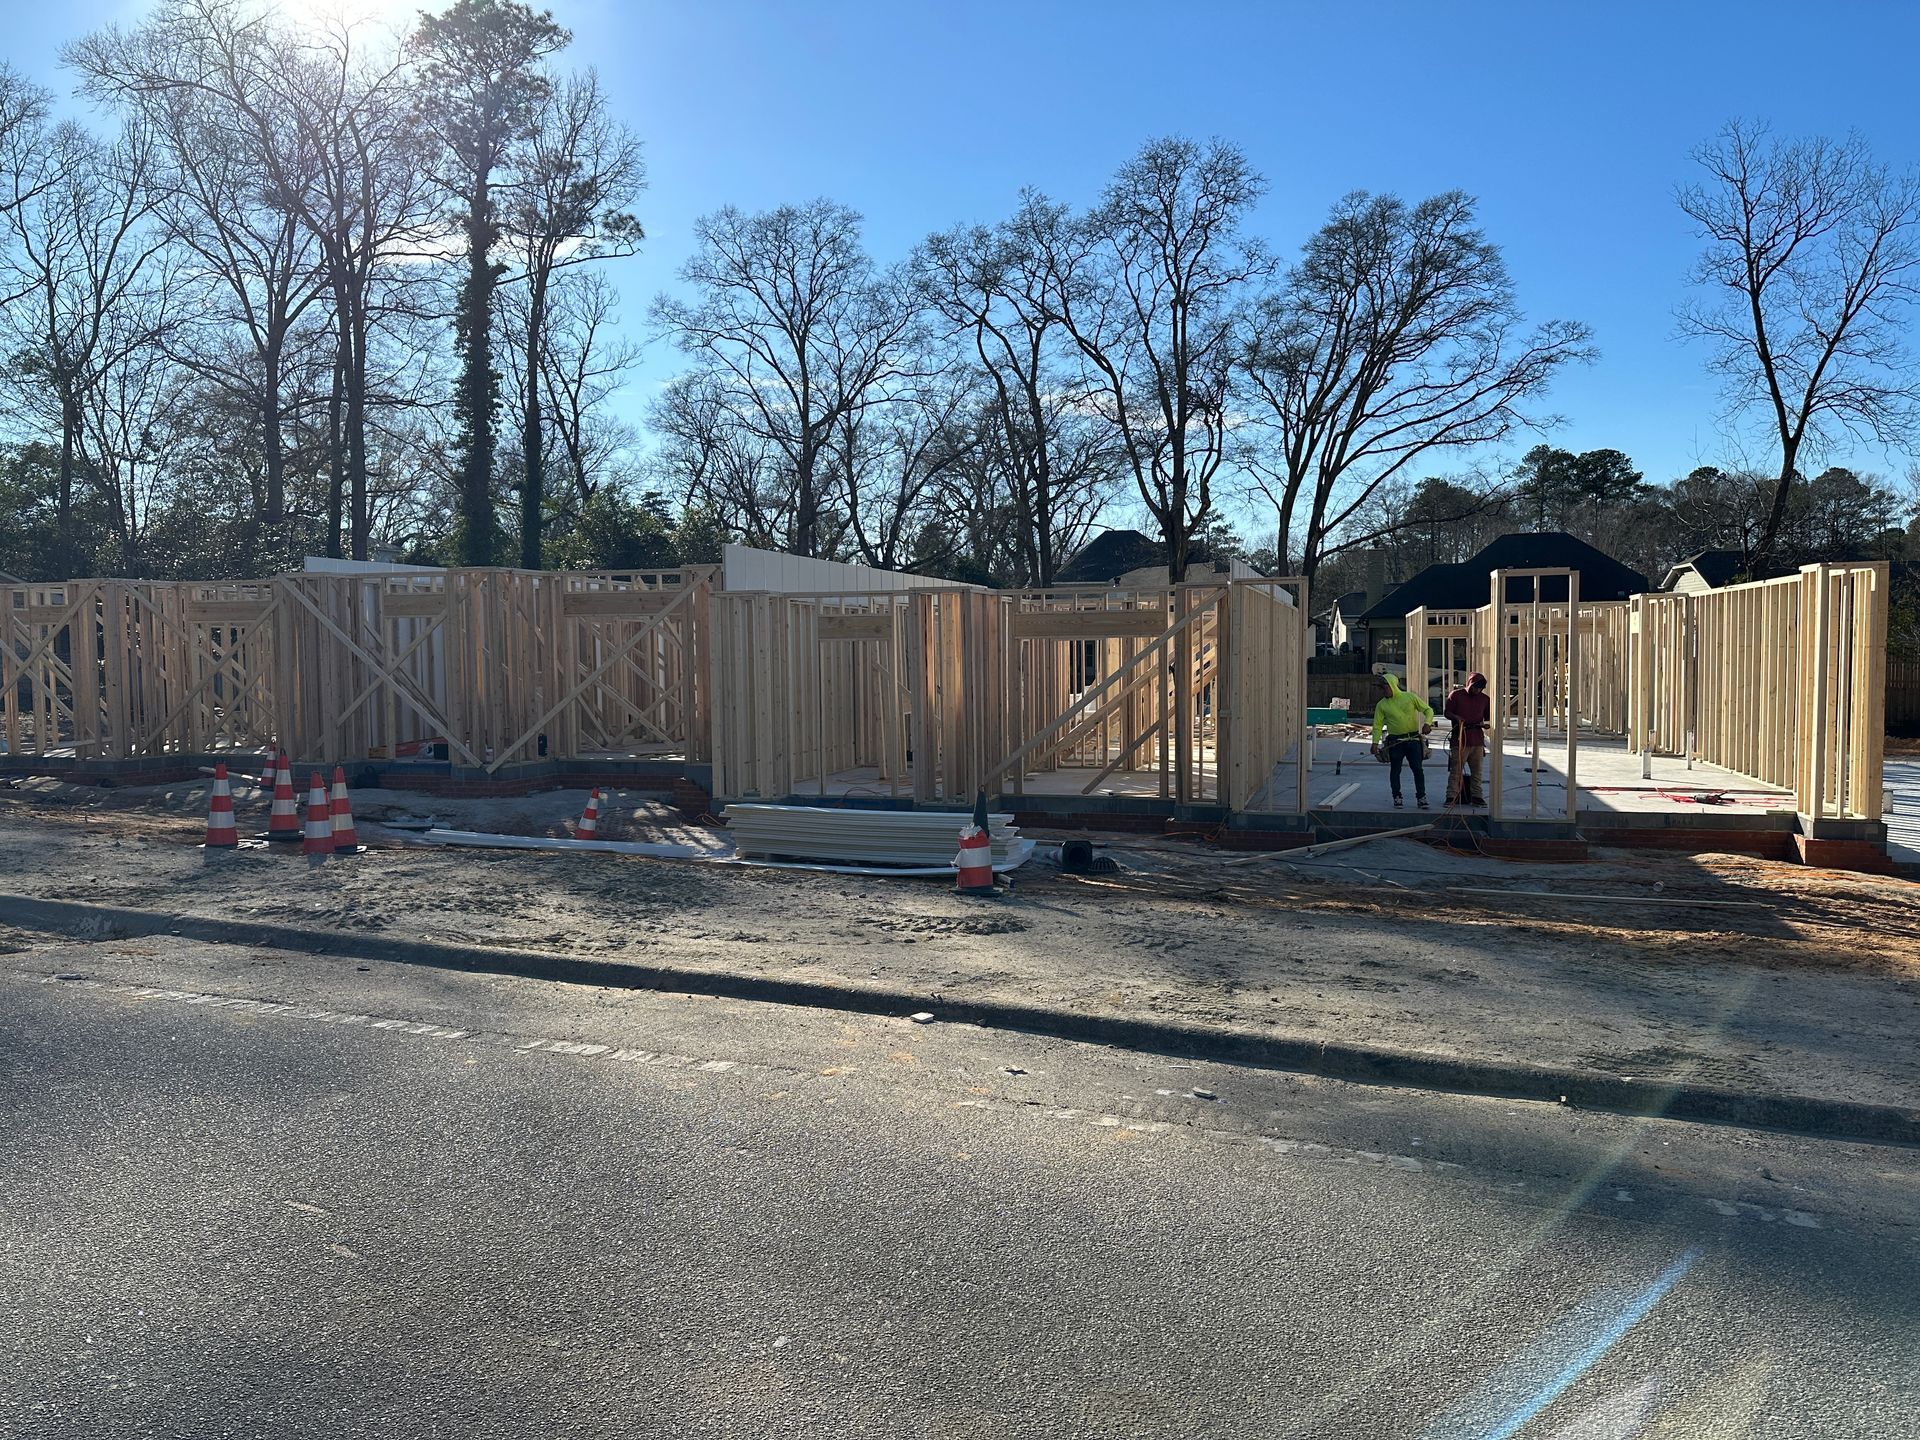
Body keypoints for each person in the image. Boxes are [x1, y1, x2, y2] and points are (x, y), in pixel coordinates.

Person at [1370, 672, 1434, 809]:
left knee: (1417, 769)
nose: (1382, 691)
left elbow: (1428, 710)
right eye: (1381, 688)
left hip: (1413, 740)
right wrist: (1374, 743)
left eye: (1384, 687)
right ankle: (1397, 796)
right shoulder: (1382, 705)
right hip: (1395, 742)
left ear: (1392, 686)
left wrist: (1428, 723)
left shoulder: (1410, 698)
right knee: (1395, 770)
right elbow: (1377, 726)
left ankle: (1421, 797)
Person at [1444, 671, 1491, 806]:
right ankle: (1451, 796)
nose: (1477, 690)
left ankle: (1477, 796)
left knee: (1477, 771)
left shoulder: (1485, 699)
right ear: (1469, 684)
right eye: (1475, 687)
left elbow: (1487, 717)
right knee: (1456, 770)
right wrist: (1456, 718)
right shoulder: (1456, 695)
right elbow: (1447, 712)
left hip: (1477, 739)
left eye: (1480, 688)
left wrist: (1485, 725)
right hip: (1459, 739)